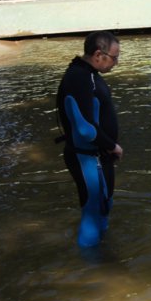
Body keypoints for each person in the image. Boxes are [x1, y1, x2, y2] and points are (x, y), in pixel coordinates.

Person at [56, 31, 123, 247]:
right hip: (86, 158)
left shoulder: (89, 75)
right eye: (114, 57)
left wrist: (108, 149)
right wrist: (112, 146)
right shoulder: (79, 78)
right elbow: (85, 129)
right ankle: (91, 269)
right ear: (98, 54)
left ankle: (102, 250)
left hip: (97, 157)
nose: (116, 63)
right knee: (92, 210)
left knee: (104, 205)